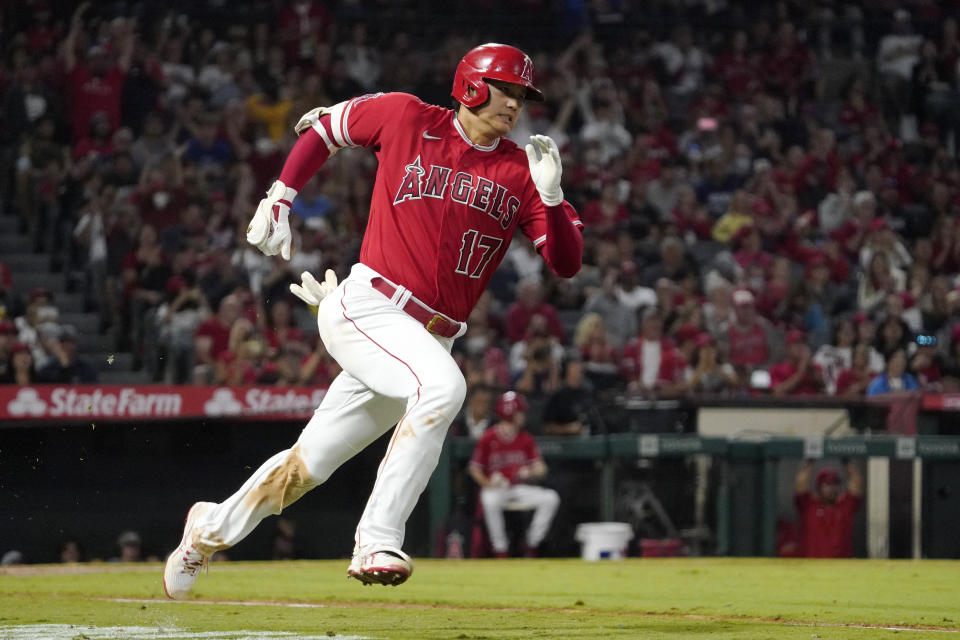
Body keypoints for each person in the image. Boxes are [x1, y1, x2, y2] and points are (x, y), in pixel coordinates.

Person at [163, 43, 583, 597]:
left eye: (522, 95)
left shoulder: (522, 171)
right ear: (472, 85)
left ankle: (207, 529)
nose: (515, 103)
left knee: (305, 469)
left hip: (428, 339)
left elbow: (565, 263)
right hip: (370, 305)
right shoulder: (406, 115)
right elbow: (326, 129)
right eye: (506, 89)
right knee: (443, 390)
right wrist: (280, 196)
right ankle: (377, 538)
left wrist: (552, 197)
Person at [468, 391, 560, 558]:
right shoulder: (488, 437)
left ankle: (531, 544)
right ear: (510, 412)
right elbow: (475, 469)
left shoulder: (526, 438)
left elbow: (541, 468)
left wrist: (530, 471)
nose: (523, 416)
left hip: (520, 488)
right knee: (489, 499)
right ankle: (500, 549)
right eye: (520, 412)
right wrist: (489, 483)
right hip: (497, 488)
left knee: (551, 498)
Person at [794, 459, 863, 557]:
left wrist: (846, 460)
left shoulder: (845, 505)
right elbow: (801, 482)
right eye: (827, 484)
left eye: (834, 484)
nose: (831, 488)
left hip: (841, 567)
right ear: (819, 487)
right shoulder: (809, 505)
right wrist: (810, 460)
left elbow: (856, 480)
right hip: (812, 566)